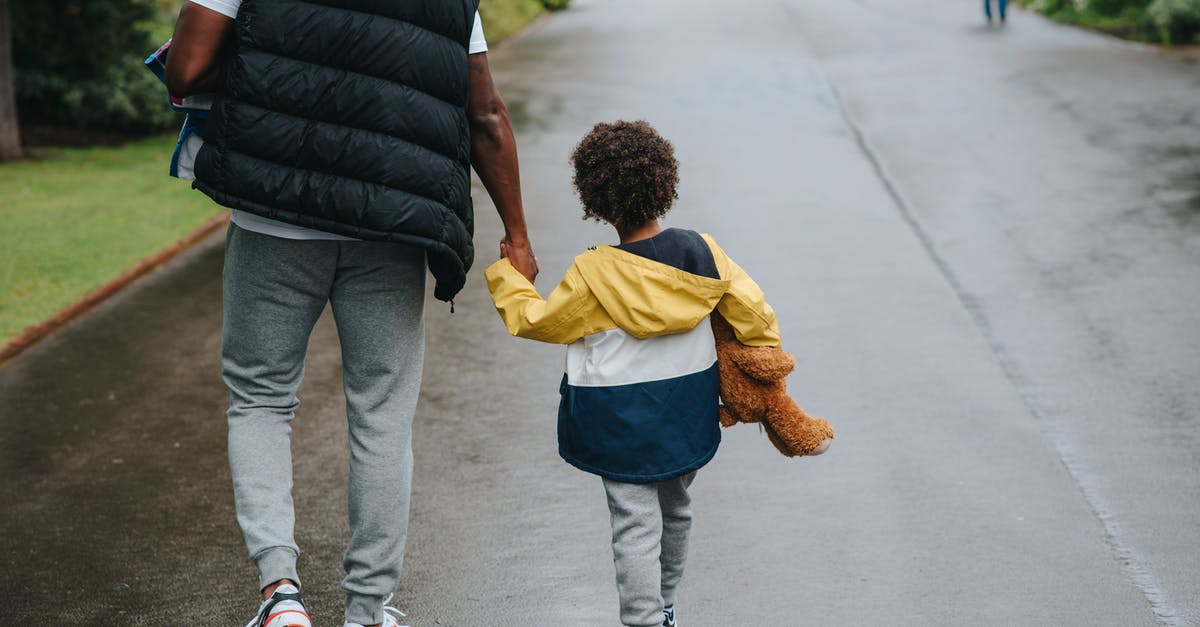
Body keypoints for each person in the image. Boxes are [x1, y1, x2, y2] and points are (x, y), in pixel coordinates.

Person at [164, 1, 538, 626]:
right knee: (382, 413)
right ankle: (368, 610)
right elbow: (485, 112)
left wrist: (282, 73)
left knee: (261, 399)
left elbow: (187, 69)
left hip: (275, 214)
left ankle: (280, 595)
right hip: (390, 221)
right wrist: (517, 234)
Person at [484, 120, 781, 627]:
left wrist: (513, 278)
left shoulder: (593, 273)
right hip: (688, 407)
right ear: (665, 184)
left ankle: (643, 618)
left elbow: (539, 323)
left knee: (633, 523)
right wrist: (761, 360)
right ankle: (665, 604)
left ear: (594, 199)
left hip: (617, 418)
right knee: (677, 508)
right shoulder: (704, 254)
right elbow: (755, 315)